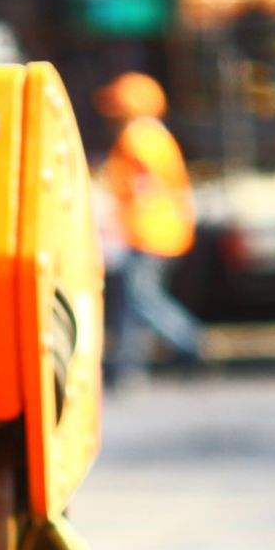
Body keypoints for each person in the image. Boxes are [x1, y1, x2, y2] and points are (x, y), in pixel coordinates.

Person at [96, 72, 201, 382]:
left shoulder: (139, 139)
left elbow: (142, 187)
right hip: (156, 231)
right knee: (131, 302)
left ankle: (190, 341)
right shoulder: (154, 136)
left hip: (148, 233)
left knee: (141, 299)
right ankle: (126, 368)